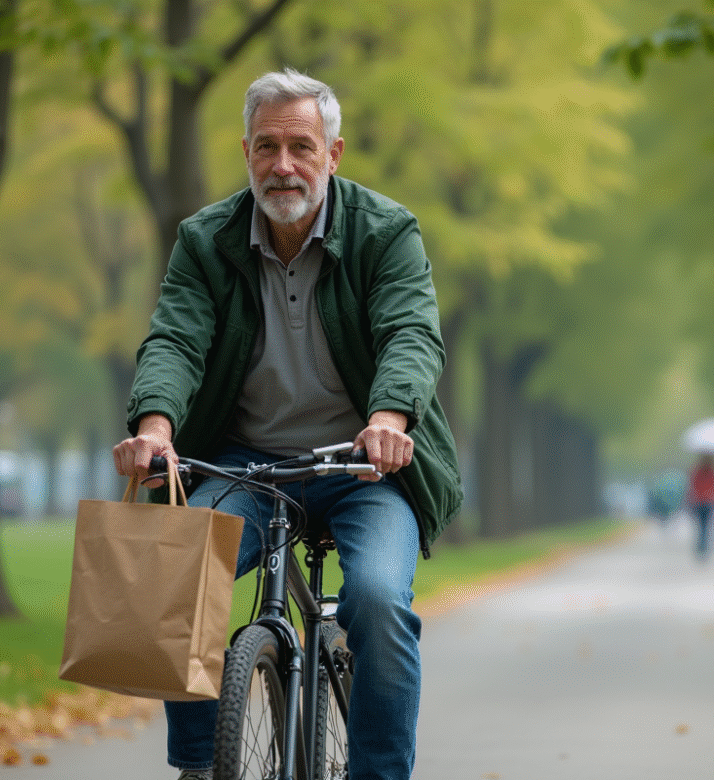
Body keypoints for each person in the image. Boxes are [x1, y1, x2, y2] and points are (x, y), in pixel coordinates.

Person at [112, 69, 463, 780]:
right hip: (245, 462)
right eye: (267, 146)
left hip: (365, 465)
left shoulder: (386, 232)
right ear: (246, 151)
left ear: (332, 154)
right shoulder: (205, 241)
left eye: (301, 146)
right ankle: (200, 767)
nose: (283, 165)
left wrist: (389, 419)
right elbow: (175, 340)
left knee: (374, 602)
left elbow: (410, 335)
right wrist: (155, 430)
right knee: (180, 573)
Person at [684, 453, 714, 560]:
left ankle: (702, 547)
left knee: (702, 526)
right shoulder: (713, 471)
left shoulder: (697, 470)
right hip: (708, 501)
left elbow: (692, 486)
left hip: (700, 501)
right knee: (706, 525)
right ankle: (704, 547)